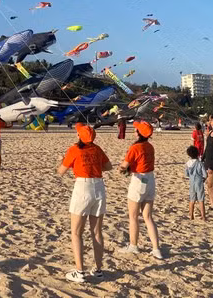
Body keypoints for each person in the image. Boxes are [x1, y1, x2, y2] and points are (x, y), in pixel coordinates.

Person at [56, 123, 112, 284]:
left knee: (76, 232)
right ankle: (98, 269)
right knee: (96, 232)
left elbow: (60, 171)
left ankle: (80, 271)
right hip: (99, 187)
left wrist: (61, 161)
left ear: (79, 136)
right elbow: (108, 167)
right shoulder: (97, 149)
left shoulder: (75, 149)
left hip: (83, 186)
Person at [117, 121, 162, 259]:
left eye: (136, 129)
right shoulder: (150, 146)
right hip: (150, 180)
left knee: (133, 217)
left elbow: (124, 166)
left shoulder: (135, 147)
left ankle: (133, 246)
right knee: (148, 217)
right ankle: (156, 249)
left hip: (139, 181)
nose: (134, 130)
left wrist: (121, 169)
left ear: (139, 133)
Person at [184, 145, 206, 220]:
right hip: (199, 182)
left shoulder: (187, 163)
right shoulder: (200, 163)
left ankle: (191, 215)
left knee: (192, 200)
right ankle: (203, 215)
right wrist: (204, 179)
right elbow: (205, 174)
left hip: (192, 182)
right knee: (201, 199)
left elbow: (186, 174)